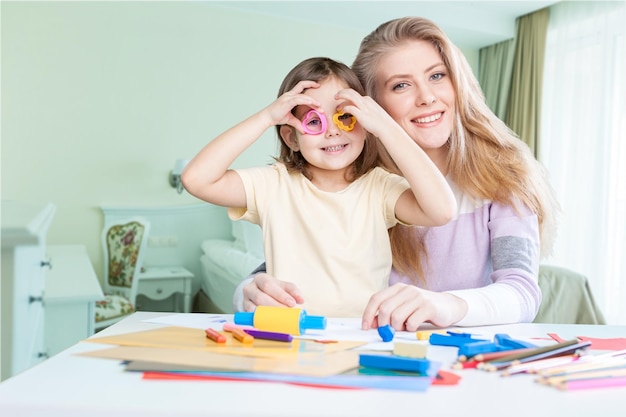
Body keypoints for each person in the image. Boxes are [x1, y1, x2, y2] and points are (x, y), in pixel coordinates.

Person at [233, 17, 561, 331]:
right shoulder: (364, 183)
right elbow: (300, 263)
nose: (427, 97)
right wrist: (249, 290)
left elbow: (521, 293)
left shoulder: (504, 176)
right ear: (370, 106)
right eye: (401, 85)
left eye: (437, 76)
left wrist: (445, 305)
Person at [182, 57, 456, 317]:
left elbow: (442, 210)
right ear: (291, 138)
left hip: (363, 332)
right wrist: (266, 117)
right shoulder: (273, 185)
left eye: (345, 117)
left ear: (364, 123)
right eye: (314, 121)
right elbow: (196, 179)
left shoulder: (379, 187)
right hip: (290, 332)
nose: (333, 132)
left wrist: (385, 127)